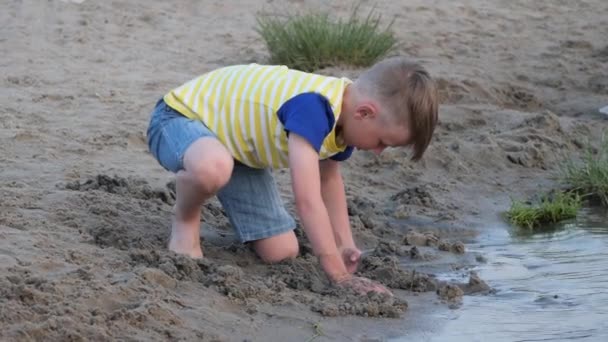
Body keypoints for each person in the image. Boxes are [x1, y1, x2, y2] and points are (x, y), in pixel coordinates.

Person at [146, 57, 438, 295]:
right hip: (179, 121)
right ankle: (186, 219)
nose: (378, 152)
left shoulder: (346, 122)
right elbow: (307, 199)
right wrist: (338, 276)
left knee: (282, 251)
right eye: (382, 142)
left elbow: (329, 181)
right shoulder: (313, 108)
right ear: (364, 113)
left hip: (239, 153)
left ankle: (213, 175)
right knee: (213, 167)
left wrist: (344, 244)